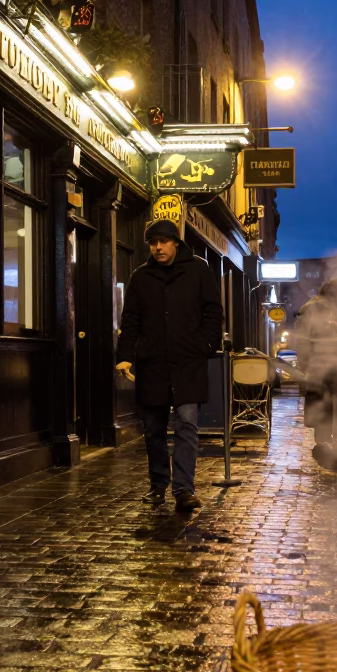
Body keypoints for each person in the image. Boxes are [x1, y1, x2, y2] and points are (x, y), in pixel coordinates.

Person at [115, 219, 223, 511]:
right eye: (153, 243)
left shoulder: (199, 270)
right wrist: (124, 355)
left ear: (176, 243)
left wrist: (203, 346)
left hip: (188, 364)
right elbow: (131, 320)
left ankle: (184, 489)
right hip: (153, 366)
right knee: (154, 429)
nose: (158, 247)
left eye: (163, 241)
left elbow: (213, 313)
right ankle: (158, 484)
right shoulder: (141, 277)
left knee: (187, 424)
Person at [294, 278, 337, 469]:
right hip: (333, 366)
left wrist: (305, 365)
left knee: (323, 404)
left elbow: (302, 341)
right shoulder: (326, 308)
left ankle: (324, 443)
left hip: (322, 366)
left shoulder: (310, 306)